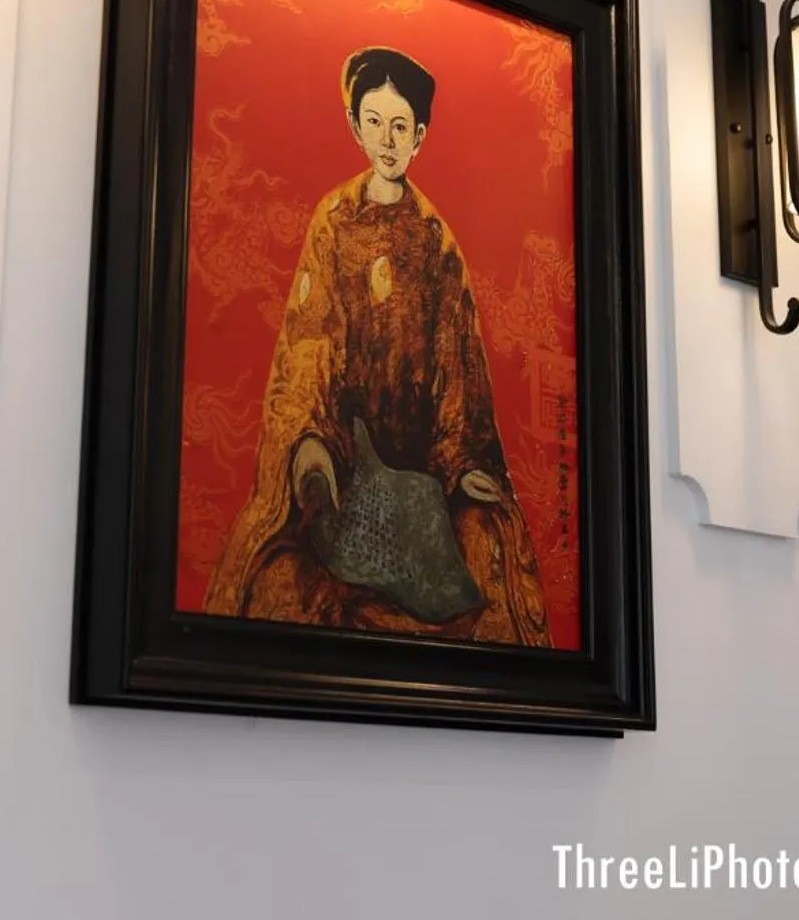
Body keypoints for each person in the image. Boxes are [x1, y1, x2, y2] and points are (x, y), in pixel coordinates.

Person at [203, 47, 550, 645]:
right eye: (373, 122)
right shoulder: (333, 223)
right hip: (345, 456)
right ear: (353, 125)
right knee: (278, 583)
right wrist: (311, 447)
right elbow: (309, 346)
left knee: (489, 555)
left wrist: (461, 464)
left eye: (399, 127)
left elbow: (456, 372)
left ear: (420, 136)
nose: (386, 140)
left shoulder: (436, 242)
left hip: (425, 472)